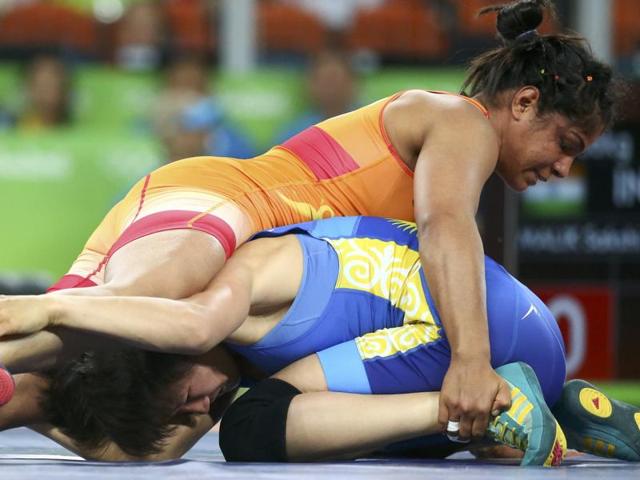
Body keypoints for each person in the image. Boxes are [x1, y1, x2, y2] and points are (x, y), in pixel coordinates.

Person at [2, 0, 619, 439]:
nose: (564, 168)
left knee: (75, 397)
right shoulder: (463, 122)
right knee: (100, 320)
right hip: (223, 202)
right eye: (565, 142)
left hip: (195, 214)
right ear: (525, 102)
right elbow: (444, 227)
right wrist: (470, 360)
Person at [3, 217, 637, 464]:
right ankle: (561, 410)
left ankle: (498, 407)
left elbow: (191, 332)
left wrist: (44, 313)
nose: (199, 413)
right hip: (504, 325)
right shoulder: (210, 362)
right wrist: (37, 409)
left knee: (252, 429)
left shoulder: (228, 288)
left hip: (466, 329)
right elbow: (150, 455)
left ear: (160, 348)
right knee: (363, 434)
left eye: (183, 399)